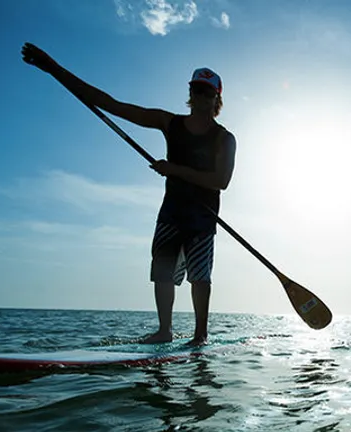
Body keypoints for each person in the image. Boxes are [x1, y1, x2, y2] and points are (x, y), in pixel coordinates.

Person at [21, 43, 237, 346]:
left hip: (203, 217)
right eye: (196, 90)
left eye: (207, 92)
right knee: (162, 271)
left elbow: (221, 181)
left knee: (199, 277)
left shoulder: (225, 138)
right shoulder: (168, 122)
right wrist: (52, 67)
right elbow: (110, 103)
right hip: (171, 212)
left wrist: (173, 170)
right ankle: (165, 331)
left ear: (217, 98)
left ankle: (200, 335)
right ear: (191, 94)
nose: (200, 97)